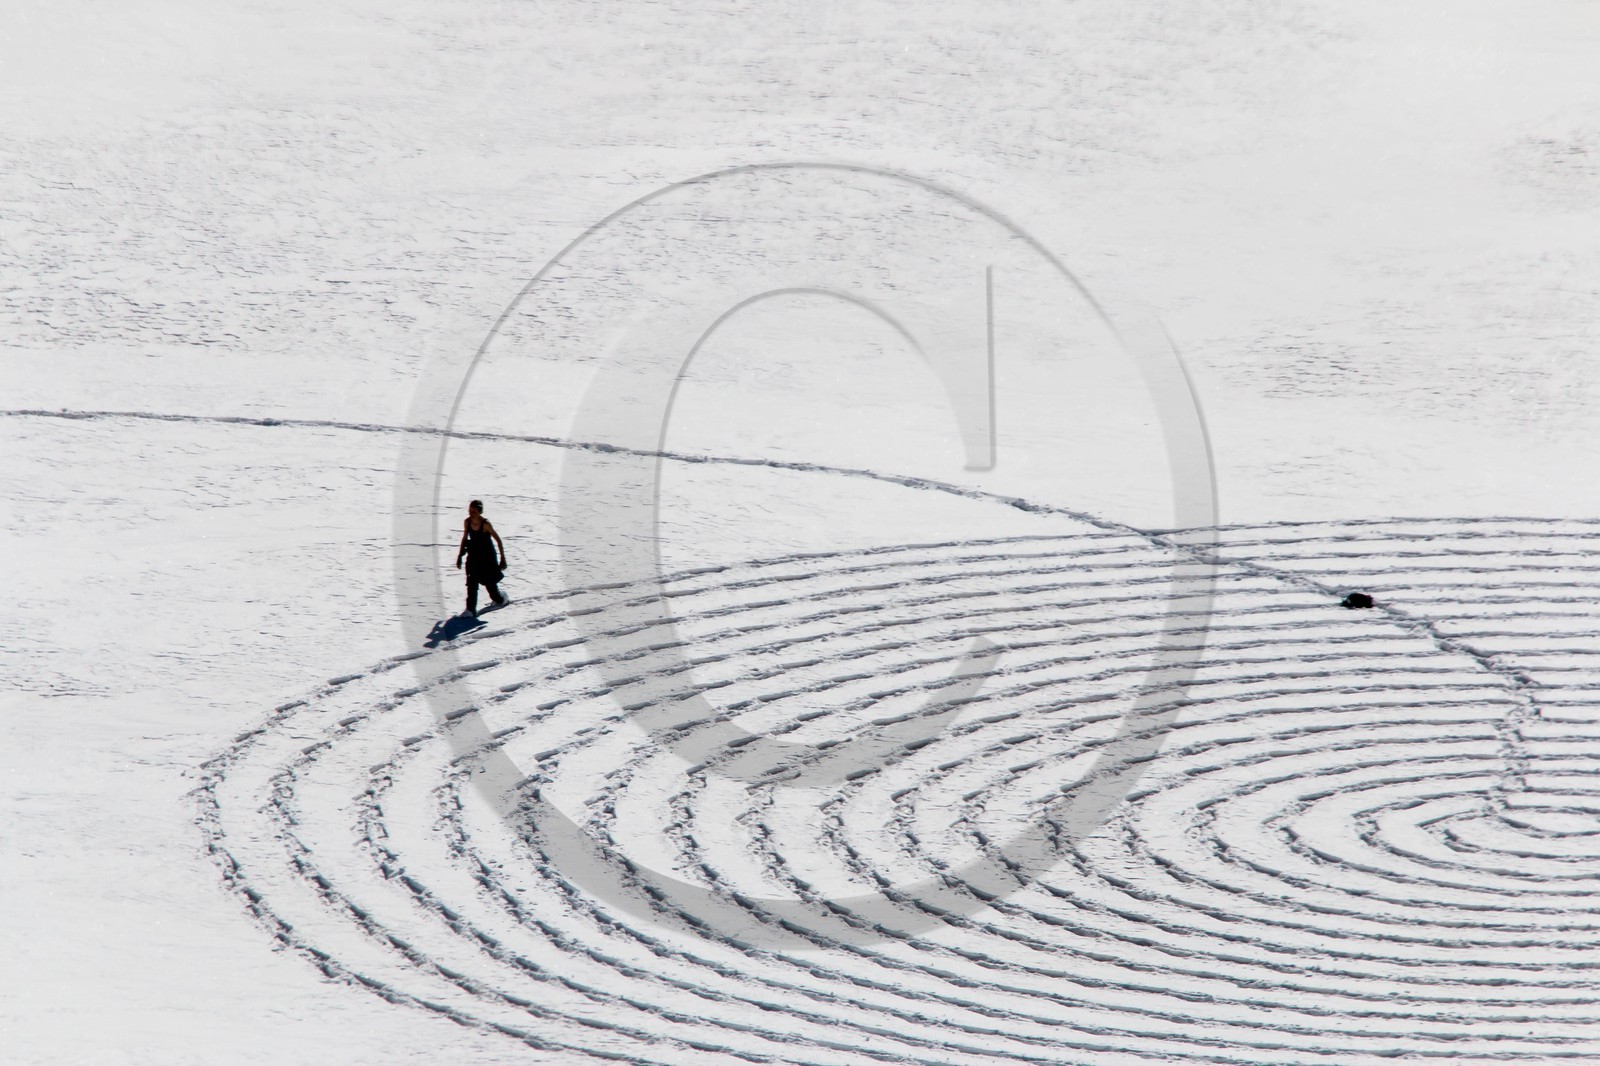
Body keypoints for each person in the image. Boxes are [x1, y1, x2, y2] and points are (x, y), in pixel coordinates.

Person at [455, 499, 507, 616]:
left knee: (491, 587)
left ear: (479, 511)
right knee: (471, 583)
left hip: (487, 558)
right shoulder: (467, 522)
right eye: (470, 511)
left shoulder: (486, 524)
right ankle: (470, 609)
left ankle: (501, 599)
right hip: (473, 557)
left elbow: (498, 540)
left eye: (473, 511)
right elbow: (464, 538)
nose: (471, 513)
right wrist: (460, 556)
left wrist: (502, 558)